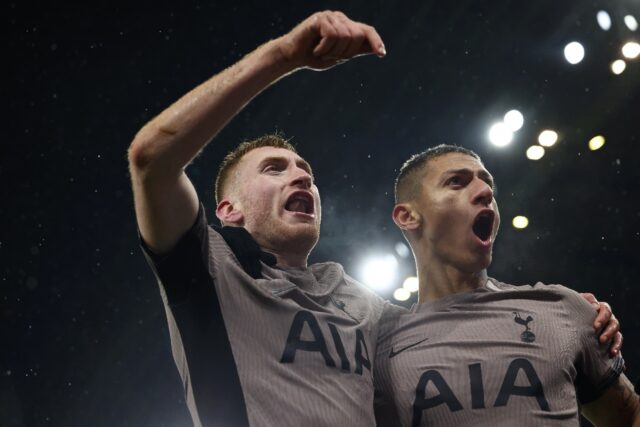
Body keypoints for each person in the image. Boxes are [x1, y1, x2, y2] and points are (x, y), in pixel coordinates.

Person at [127, 11, 622, 427]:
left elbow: (452, 310)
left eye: (306, 172)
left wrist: (567, 313)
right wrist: (283, 57)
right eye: (274, 169)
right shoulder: (212, 271)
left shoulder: (362, 305)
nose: (300, 179)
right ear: (227, 210)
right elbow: (150, 159)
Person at [374, 145, 638, 426]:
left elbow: (630, 416)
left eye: (487, 182)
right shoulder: (377, 349)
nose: (486, 192)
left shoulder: (562, 309)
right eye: (457, 182)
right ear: (408, 216)